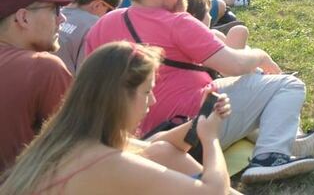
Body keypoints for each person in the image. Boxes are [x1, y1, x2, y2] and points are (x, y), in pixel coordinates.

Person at [84, 0, 314, 183]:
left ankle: (289, 140)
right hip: (188, 130)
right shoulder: (177, 23)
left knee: (249, 90)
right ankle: (270, 157)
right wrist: (261, 55)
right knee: (286, 84)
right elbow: (234, 65)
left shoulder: (104, 23)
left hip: (133, 139)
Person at [0, 40, 235, 194]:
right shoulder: (105, 162)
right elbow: (213, 192)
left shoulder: (67, 138)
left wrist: (201, 121)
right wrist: (210, 138)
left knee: (162, 151)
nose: (152, 101)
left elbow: (155, 147)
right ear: (119, 97)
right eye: (146, 91)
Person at [0, 0, 77, 172]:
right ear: (23, 17)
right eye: (55, 9)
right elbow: (80, 148)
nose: (62, 18)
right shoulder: (42, 67)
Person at [56, 0, 124, 73]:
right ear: (97, 5)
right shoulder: (95, 26)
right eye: (109, 11)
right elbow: (87, 77)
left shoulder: (54, 16)